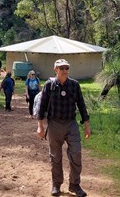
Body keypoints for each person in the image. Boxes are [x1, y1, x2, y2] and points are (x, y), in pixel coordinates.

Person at [36, 59, 91, 197]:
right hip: (54, 124)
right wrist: (40, 127)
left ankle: (74, 185)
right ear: (55, 70)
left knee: (76, 153)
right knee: (55, 156)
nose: (65, 70)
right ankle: (56, 184)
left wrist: (86, 125)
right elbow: (41, 107)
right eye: (61, 68)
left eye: (67, 68)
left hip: (71, 124)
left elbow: (82, 105)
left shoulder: (74, 85)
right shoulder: (49, 85)